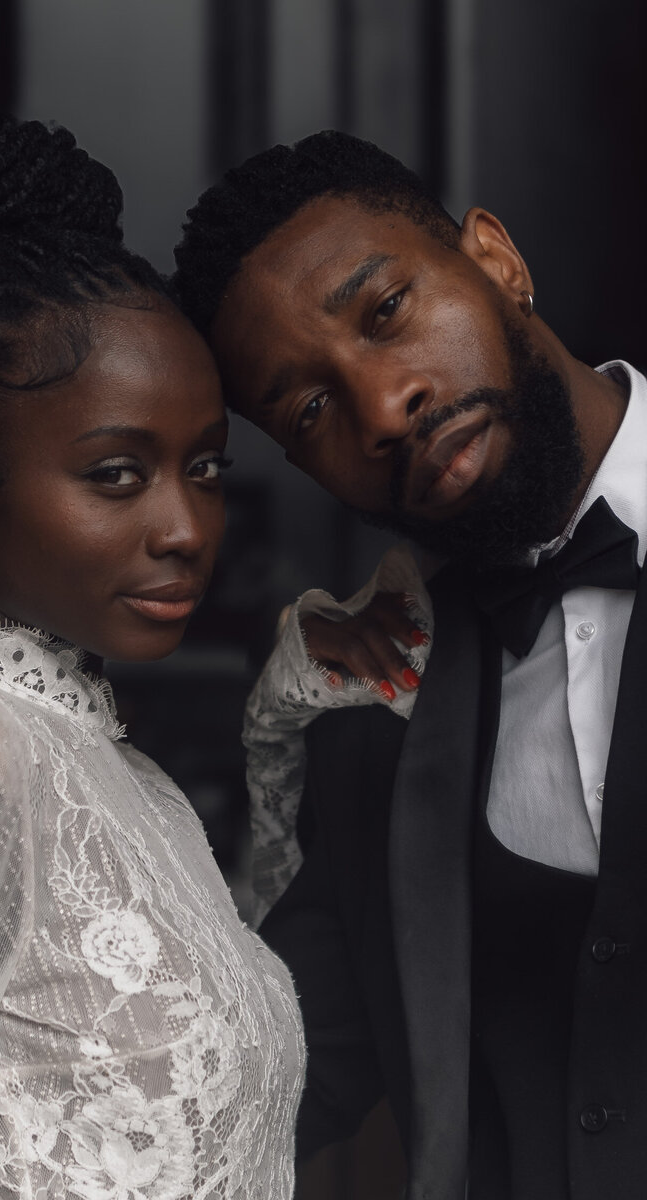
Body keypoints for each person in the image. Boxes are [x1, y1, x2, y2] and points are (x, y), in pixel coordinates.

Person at [172, 130, 647, 1200]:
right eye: (309, 409)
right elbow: (268, 1081)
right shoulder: (372, 703)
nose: (383, 407)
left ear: (495, 260)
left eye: (385, 311)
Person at [0, 107, 310, 1200]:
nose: (185, 528)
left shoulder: (128, 784)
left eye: (202, 468)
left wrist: (303, 708)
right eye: (115, 473)